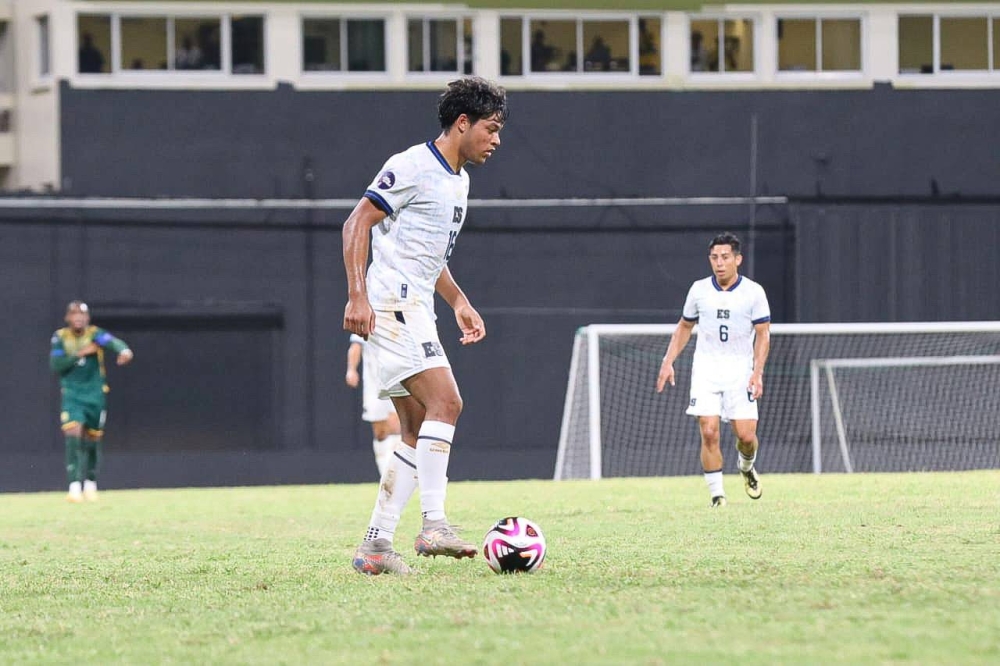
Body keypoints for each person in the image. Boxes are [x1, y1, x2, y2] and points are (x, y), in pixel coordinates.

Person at [342, 76, 508, 575]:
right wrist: (356, 294)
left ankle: (376, 545)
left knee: (415, 430)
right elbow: (356, 222)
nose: (496, 140)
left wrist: (459, 302)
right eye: (491, 129)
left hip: (417, 306)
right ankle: (434, 523)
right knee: (448, 402)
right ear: (463, 123)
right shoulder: (412, 165)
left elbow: (427, 255)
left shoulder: (459, 179)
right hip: (393, 304)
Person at [655, 233, 770, 507]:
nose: (719, 263)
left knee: (746, 436)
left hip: (741, 370)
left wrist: (757, 372)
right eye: (715, 258)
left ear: (738, 260)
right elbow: (685, 326)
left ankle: (746, 466)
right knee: (708, 431)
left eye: (725, 257)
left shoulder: (753, 292)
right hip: (706, 369)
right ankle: (717, 496)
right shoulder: (699, 290)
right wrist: (668, 360)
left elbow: (763, 334)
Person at [49, 301, 134, 502]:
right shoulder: (60, 337)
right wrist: (81, 353)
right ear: (67, 318)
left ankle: (90, 482)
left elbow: (113, 342)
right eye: (74, 314)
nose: (78, 318)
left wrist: (124, 351)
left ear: (87, 318)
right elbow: (56, 365)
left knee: (92, 439)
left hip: (95, 394)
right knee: (73, 432)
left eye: (82, 314)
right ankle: (74, 486)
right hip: (72, 394)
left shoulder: (95, 334)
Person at [345, 334, 402, 479]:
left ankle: (399, 475)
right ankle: (385, 474)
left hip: (398, 377)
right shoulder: (366, 315)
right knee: (380, 431)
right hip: (374, 382)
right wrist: (351, 369)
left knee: (397, 424)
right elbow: (356, 345)